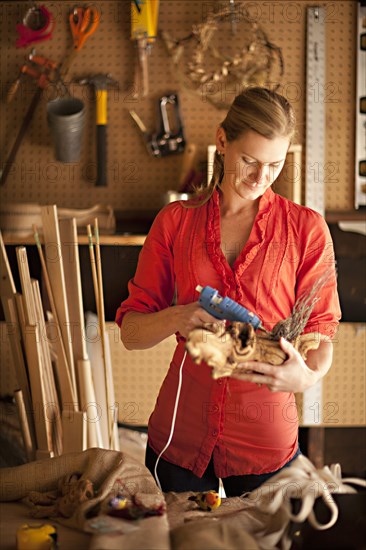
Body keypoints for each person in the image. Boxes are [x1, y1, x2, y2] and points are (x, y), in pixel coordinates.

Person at [115, 87, 341, 496]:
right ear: (222, 142)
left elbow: (320, 332)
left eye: (274, 165)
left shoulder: (306, 229)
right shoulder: (175, 222)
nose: (260, 178)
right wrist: (178, 316)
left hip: (265, 442)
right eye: (249, 161)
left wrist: (305, 376)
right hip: (179, 438)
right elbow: (131, 333)